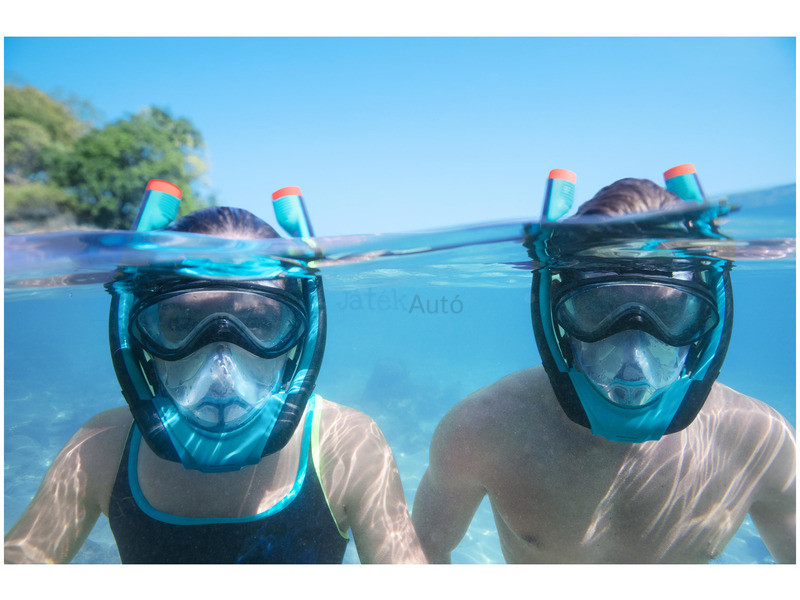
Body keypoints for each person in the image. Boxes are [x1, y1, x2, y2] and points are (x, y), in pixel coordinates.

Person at [5, 190, 426, 564]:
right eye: (181, 323)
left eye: (258, 323)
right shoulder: (100, 447)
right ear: (139, 337)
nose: (220, 364)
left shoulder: (346, 446)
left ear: (300, 337)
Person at [412, 170, 796, 564]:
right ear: (556, 311)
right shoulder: (482, 430)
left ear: (702, 320)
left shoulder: (760, 443)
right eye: (598, 309)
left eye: (668, 312)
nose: (633, 358)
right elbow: (421, 552)